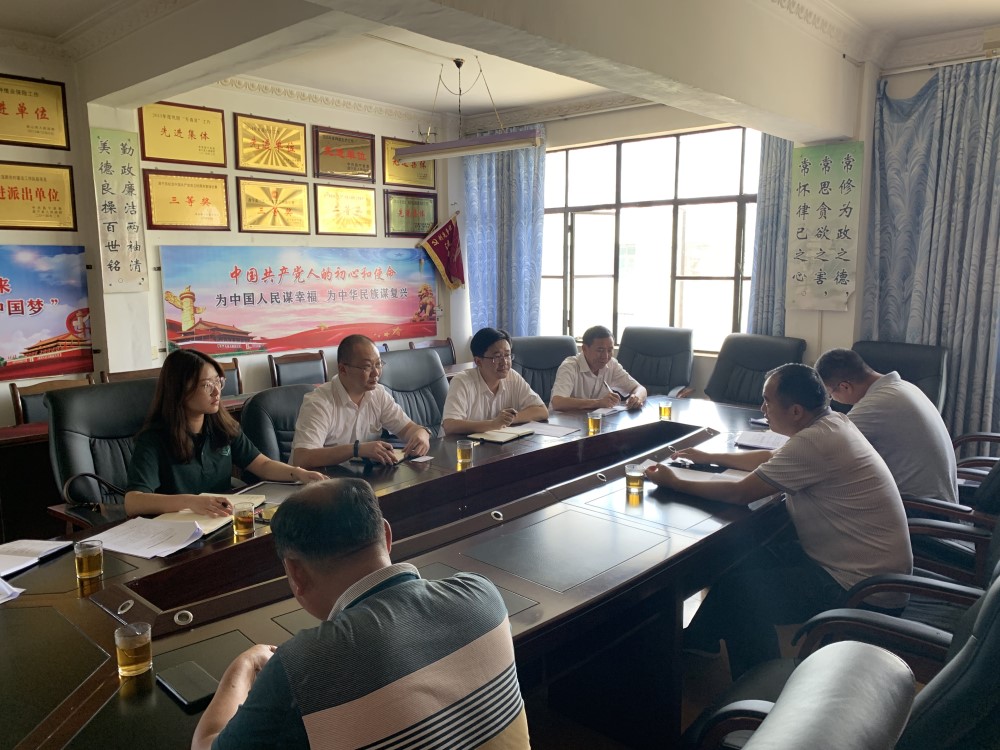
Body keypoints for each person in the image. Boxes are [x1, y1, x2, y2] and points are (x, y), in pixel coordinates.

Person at [191, 478, 530, 750]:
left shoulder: (303, 668)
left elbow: (206, 745)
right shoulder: (482, 594)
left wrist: (244, 666)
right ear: (386, 535)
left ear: (294, 572)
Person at [644, 363, 912, 679]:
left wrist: (674, 481)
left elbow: (740, 493)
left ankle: (759, 683)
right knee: (737, 560)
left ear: (796, 411)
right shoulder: (832, 423)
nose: (763, 408)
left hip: (862, 590)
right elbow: (771, 459)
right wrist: (709, 457)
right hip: (866, 571)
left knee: (742, 593)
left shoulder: (815, 442)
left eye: (767, 401)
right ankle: (700, 641)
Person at [124, 349, 325, 518]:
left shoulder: (222, 426)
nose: (217, 391)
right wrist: (191, 502)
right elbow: (133, 501)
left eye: (218, 381)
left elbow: (262, 465)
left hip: (221, 520)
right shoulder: (154, 438)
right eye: (206, 385)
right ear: (180, 391)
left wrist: (298, 473)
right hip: (178, 529)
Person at [815, 347, 958, 504]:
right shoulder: (904, 387)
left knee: (818, 499)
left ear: (845, 387)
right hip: (939, 502)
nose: (832, 400)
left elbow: (823, 449)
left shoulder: (875, 405)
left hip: (921, 508)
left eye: (830, 394)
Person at [290, 335, 431, 468]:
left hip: (361, 477)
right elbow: (302, 458)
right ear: (343, 369)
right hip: (320, 481)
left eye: (378, 364)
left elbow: (407, 429)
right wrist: (356, 450)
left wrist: (422, 434)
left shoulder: (378, 394)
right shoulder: (318, 402)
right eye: (367, 367)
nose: (376, 373)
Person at [441, 327, 548, 435]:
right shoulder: (462, 382)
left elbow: (542, 411)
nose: (504, 362)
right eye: (497, 357)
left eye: (507, 355)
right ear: (478, 361)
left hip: (497, 442)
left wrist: (508, 419)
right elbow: (450, 425)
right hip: (460, 444)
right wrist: (493, 424)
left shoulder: (512, 377)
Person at [549, 325, 647, 411]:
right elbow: (557, 402)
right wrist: (598, 403)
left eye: (610, 350)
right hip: (562, 422)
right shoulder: (570, 366)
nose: (605, 356)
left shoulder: (612, 364)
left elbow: (640, 388)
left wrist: (636, 398)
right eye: (600, 350)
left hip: (592, 421)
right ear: (584, 349)